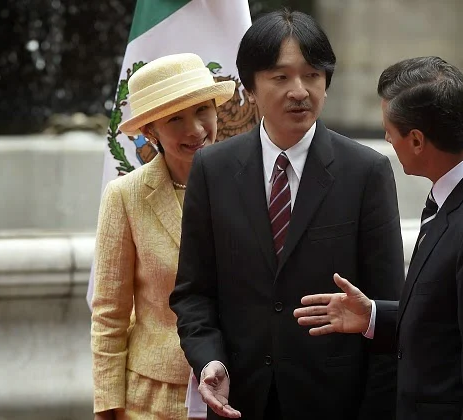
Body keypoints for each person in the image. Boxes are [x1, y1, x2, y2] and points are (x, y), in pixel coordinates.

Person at [169, 9, 405, 420]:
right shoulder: (213, 169)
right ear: (251, 88)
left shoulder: (366, 172)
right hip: (240, 399)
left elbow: (388, 306)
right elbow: (194, 293)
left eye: (312, 75)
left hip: (335, 402)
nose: (300, 91)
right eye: (281, 77)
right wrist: (209, 361)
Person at [294, 56, 463, 420]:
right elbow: (452, 323)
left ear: (416, 140)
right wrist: (373, 316)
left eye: (389, 130)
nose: (385, 138)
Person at [91, 53, 235, 420]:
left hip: (240, 385)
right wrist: (109, 405)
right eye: (175, 118)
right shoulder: (125, 195)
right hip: (152, 399)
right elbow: (109, 313)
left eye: (203, 109)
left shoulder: (249, 184)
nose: (195, 129)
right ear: (150, 131)